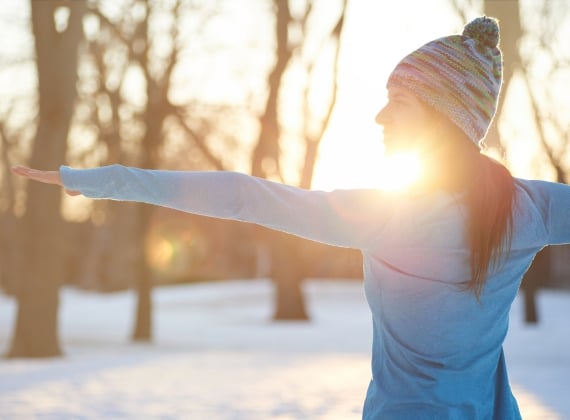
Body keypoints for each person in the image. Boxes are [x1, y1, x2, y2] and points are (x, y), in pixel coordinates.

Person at [12, 16, 570, 419]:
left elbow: (242, 196)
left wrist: (98, 180)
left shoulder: (385, 215)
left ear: (439, 120)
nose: (379, 116)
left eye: (397, 102)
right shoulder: (530, 208)